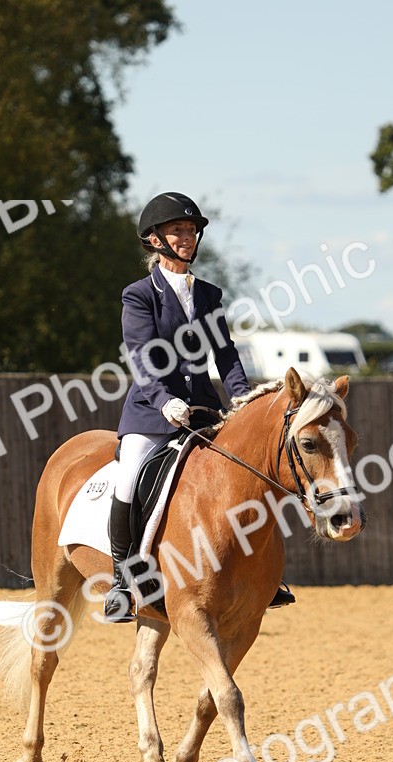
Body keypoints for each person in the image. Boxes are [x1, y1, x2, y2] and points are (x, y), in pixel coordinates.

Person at [105, 190, 295, 621]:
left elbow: (225, 354)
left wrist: (244, 399)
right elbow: (141, 355)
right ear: (155, 239)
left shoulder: (208, 294)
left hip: (204, 412)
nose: (187, 237)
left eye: (191, 230)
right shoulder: (139, 295)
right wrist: (163, 399)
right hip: (153, 413)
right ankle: (123, 579)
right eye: (178, 230)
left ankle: (263, 573)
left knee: (249, 474)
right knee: (130, 477)